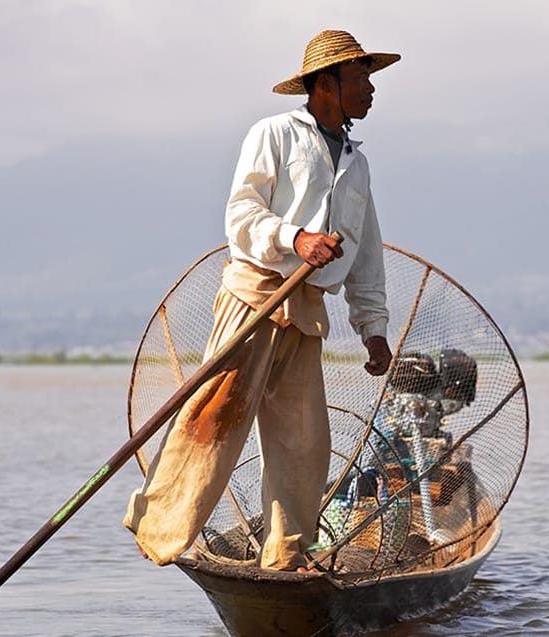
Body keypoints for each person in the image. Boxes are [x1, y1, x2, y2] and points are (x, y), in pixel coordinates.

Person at [124, 29, 398, 572]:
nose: (371, 89)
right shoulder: (274, 134)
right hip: (255, 298)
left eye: (370, 78)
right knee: (214, 419)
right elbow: (242, 215)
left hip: (307, 313)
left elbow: (366, 255)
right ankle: (157, 525)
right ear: (326, 84)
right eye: (360, 77)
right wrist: (295, 239)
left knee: (304, 444)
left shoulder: (357, 163)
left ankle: (287, 558)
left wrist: (373, 328)